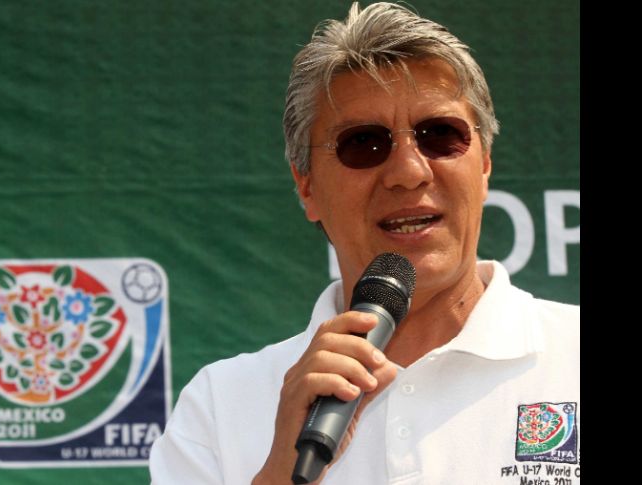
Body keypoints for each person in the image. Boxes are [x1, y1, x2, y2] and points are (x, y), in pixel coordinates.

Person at [149, 2, 580, 484]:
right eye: (364, 143)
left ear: (483, 164)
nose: (408, 172)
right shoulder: (219, 405)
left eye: (440, 135)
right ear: (307, 186)